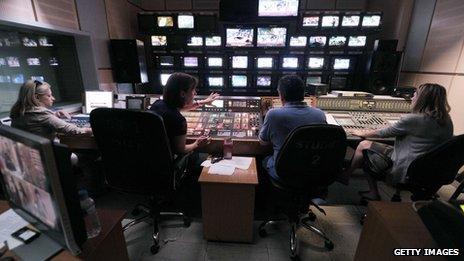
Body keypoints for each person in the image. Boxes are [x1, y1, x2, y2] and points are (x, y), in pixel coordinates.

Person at [341, 83, 454, 201]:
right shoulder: (447, 120)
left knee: (364, 146)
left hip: (407, 168)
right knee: (368, 145)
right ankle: (348, 176)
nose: (412, 98)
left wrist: (362, 133)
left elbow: (383, 133)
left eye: (415, 95)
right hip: (431, 170)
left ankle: (358, 183)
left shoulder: (412, 119)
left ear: (422, 99)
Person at [259, 75, 327, 182]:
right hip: (312, 171)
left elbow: (263, 142)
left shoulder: (273, 114)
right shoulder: (320, 114)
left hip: (284, 172)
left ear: (281, 95)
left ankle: (268, 196)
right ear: (303, 94)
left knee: (263, 160)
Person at [149, 72, 219, 154]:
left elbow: (179, 108)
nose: (195, 93)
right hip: (170, 162)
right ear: (182, 94)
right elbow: (180, 150)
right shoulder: (178, 120)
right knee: (204, 156)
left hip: (152, 154)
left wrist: (203, 102)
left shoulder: (158, 104)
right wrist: (197, 144)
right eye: (193, 90)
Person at [10, 80, 92, 140]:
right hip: (47, 156)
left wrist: (54, 115)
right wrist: (95, 129)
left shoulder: (19, 111)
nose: (53, 98)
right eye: (49, 96)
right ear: (37, 97)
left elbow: (37, 122)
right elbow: (74, 131)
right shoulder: (41, 114)